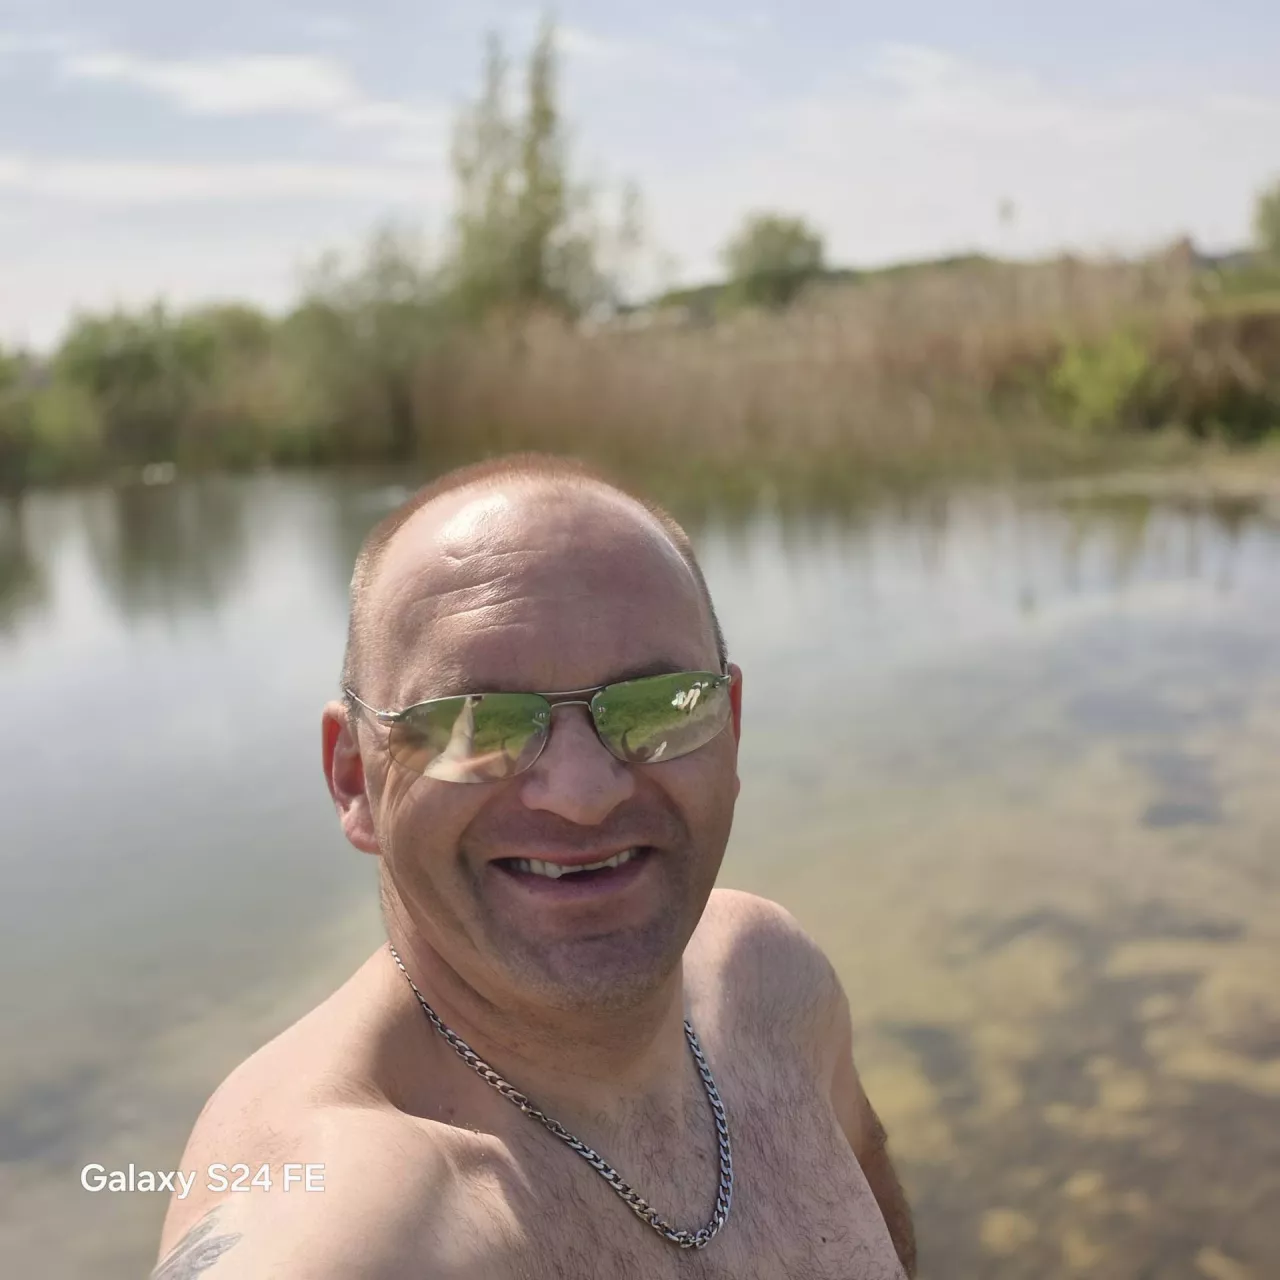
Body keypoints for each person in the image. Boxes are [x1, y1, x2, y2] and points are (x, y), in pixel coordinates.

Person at [154, 454, 916, 1279]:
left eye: (657, 705)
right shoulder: (349, 1228)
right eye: (474, 724)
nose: (583, 795)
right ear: (354, 780)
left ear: (729, 727)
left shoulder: (776, 986)